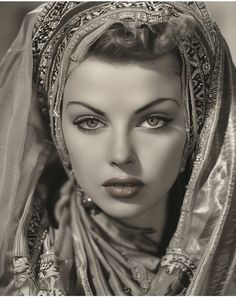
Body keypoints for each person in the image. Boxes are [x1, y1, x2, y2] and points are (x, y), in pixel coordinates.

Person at [0, 1, 235, 295]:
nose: (121, 155)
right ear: (58, 130)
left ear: (198, 126)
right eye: (89, 122)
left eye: (153, 120)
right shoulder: (17, 274)